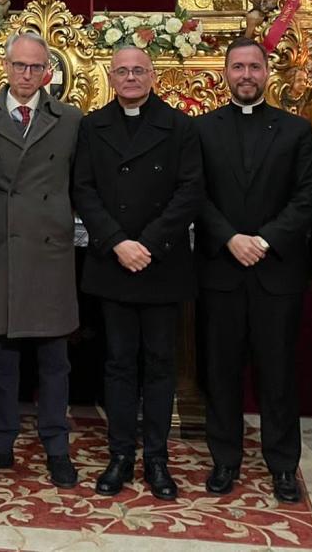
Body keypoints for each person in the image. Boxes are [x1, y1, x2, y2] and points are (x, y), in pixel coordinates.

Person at [195, 36, 312, 504]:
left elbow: (307, 197)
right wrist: (230, 237)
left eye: (254, 67)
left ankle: (283, 465)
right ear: (224, 73)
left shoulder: (294, 131)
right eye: (237, 68)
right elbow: (195, 194)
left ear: (267, 72)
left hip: (277, 271)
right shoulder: (202, 130)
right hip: (221, 270)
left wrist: (264, 240)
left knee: (278, 374)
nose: (246, 75)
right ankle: (225, 459)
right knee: (221, 372)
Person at [72, 46, 202, 501]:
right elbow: (83, 190)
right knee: (119, 363)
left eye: (138, 70)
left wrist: (147, 243)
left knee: (161, 364)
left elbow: (190, 191)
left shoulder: (180, 126)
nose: (130, 77)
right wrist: (117, 242)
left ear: (152, 75)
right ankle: (121, 454)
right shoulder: (92, 126)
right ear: (111, 77)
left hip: (160, 262)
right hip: (114, 261)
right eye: (123, 71)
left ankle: (157, 459)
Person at [0, 32, 83, 489]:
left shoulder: (71, 120)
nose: (27, 75)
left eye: (36, 68)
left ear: (48, 73)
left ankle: (57, 446)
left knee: (55, 362)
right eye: (20, 66)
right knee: (1, 360)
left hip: (50, 252)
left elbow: (82, 184)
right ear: (6, 66)